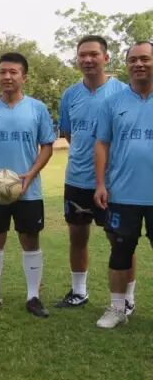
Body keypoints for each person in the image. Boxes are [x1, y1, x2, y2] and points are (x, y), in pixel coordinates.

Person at [0, 52, 55, 318]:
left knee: (30, 240)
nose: (7, 76)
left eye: (13, 72)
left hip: (28, 190)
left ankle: (33, 297)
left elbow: (47, 146)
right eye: (2, 72)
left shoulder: (37, 109)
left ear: (24, 77)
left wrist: (30, 174)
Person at [55, 36, 132, 310]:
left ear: (106, 58)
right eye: (82, 55)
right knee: (77, 236)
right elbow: (68, 134)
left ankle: (128, 299)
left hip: (114, 182)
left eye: (93, 55)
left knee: (121, 241)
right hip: (76, 179)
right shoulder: (70, 95)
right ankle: (79, 292)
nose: (87, 60)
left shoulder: (123, 92)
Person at [94, 41, 153, 329]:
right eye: (133, 60)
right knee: (120, 252)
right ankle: (117, 308)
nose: (138, 64)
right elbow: (102, 143)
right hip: (122, 193)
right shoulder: (112, 102)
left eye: (145, 59)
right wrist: (100, 183)